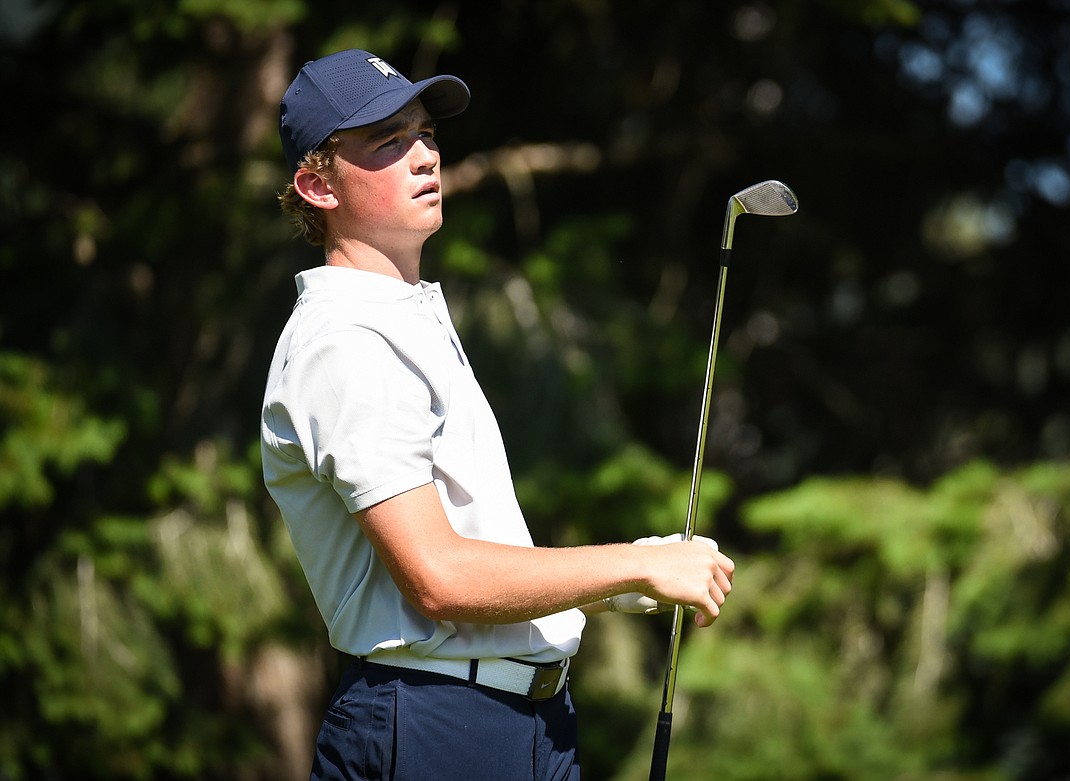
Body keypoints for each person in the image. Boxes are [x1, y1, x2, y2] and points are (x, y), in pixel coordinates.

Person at [260, 48, 735, 781]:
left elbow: (464, 560)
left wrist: (619, 582)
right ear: (315, 183)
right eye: (388, 140)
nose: (424, 155)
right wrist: (637, 562)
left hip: (523, 723)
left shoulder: (402, 315)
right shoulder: (346, 341)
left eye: (425, 133)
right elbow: (439, 578)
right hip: (437, 727)